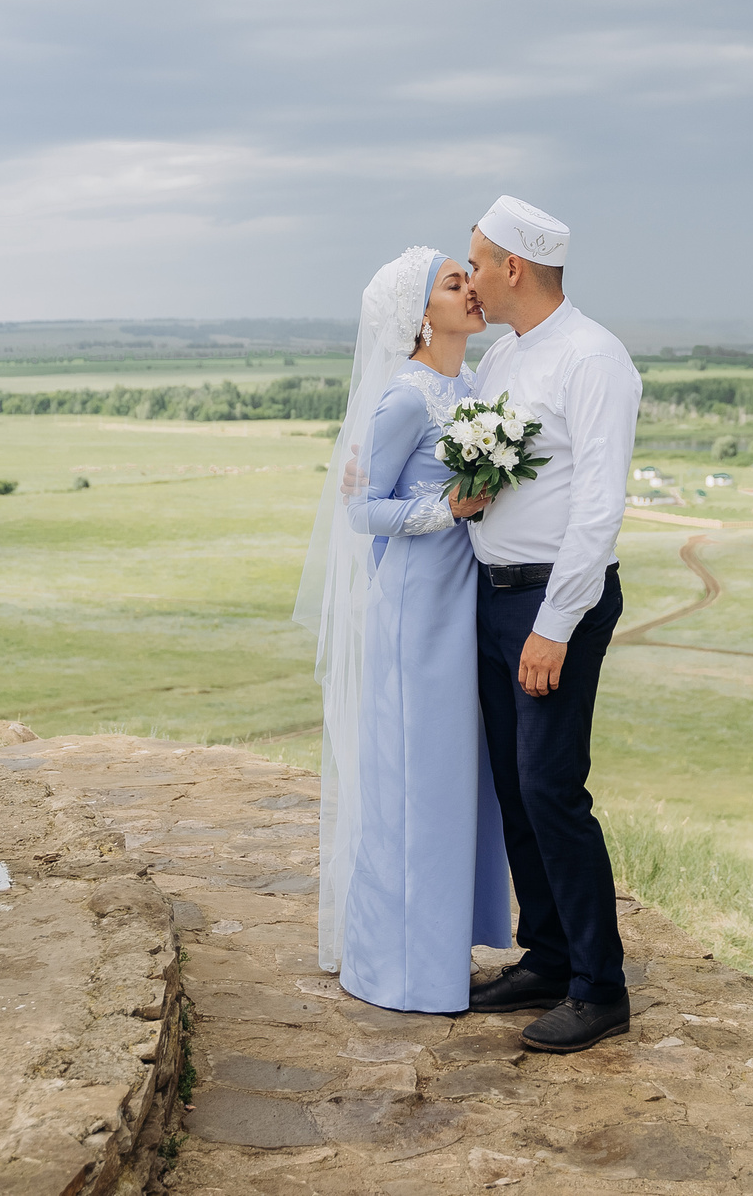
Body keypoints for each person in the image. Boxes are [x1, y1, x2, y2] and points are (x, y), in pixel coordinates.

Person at [294, 246, 512, 1013]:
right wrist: (444, 510)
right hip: (416, 607)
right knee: (417, 782)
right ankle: (402, 970)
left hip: (465, 603)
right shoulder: (405, 400)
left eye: (468, 278)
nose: (472, 289)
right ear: (421, 314)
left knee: (458, 781)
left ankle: (447, 952)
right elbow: (362, 509)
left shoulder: (473, 386)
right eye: (455, 283)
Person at [461, 196, 643, 1053]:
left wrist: (555, 623)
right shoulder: (501, 357)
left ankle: (600, 985)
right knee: (512, 784)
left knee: (551, 787)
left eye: (475, 261)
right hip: (494, 594)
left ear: (514, 269)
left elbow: (598, 505)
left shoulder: (595, 358)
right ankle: (547, 952)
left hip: (552, 605)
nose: (468, 277)